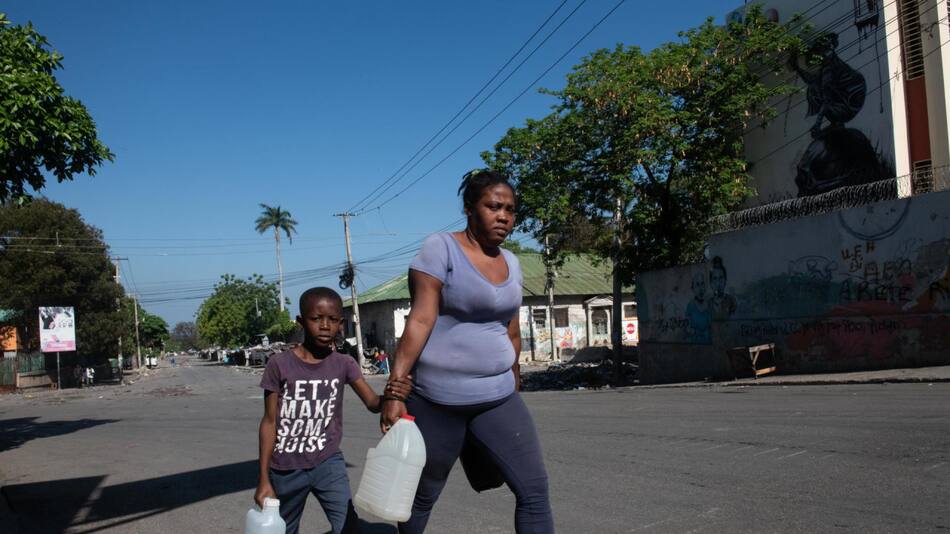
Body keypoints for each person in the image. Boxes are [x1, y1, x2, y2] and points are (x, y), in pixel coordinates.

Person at [381, 169, 554, 533]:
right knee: (422, 497)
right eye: (493, 206)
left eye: (510, 209)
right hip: (436, 402)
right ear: (469, 208)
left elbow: (511, 327)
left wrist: (514, 376)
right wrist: (395, 391)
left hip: (496, 397)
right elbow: (420, 322)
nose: (504, 216)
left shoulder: (513, 262)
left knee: (534, 490)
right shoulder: (440, 248)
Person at [255, 287, 413, 534]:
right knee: (283, 529)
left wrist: (394, 395)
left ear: (341, 323)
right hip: (285, 467)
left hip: (327, 462)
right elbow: (269, 422)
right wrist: (263, 479)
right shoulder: (279, 364)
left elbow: (373, 403)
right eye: (316, 319)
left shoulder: (344, 364)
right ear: (301, 322)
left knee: (347, 527)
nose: (325, 326)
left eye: (333, 320)